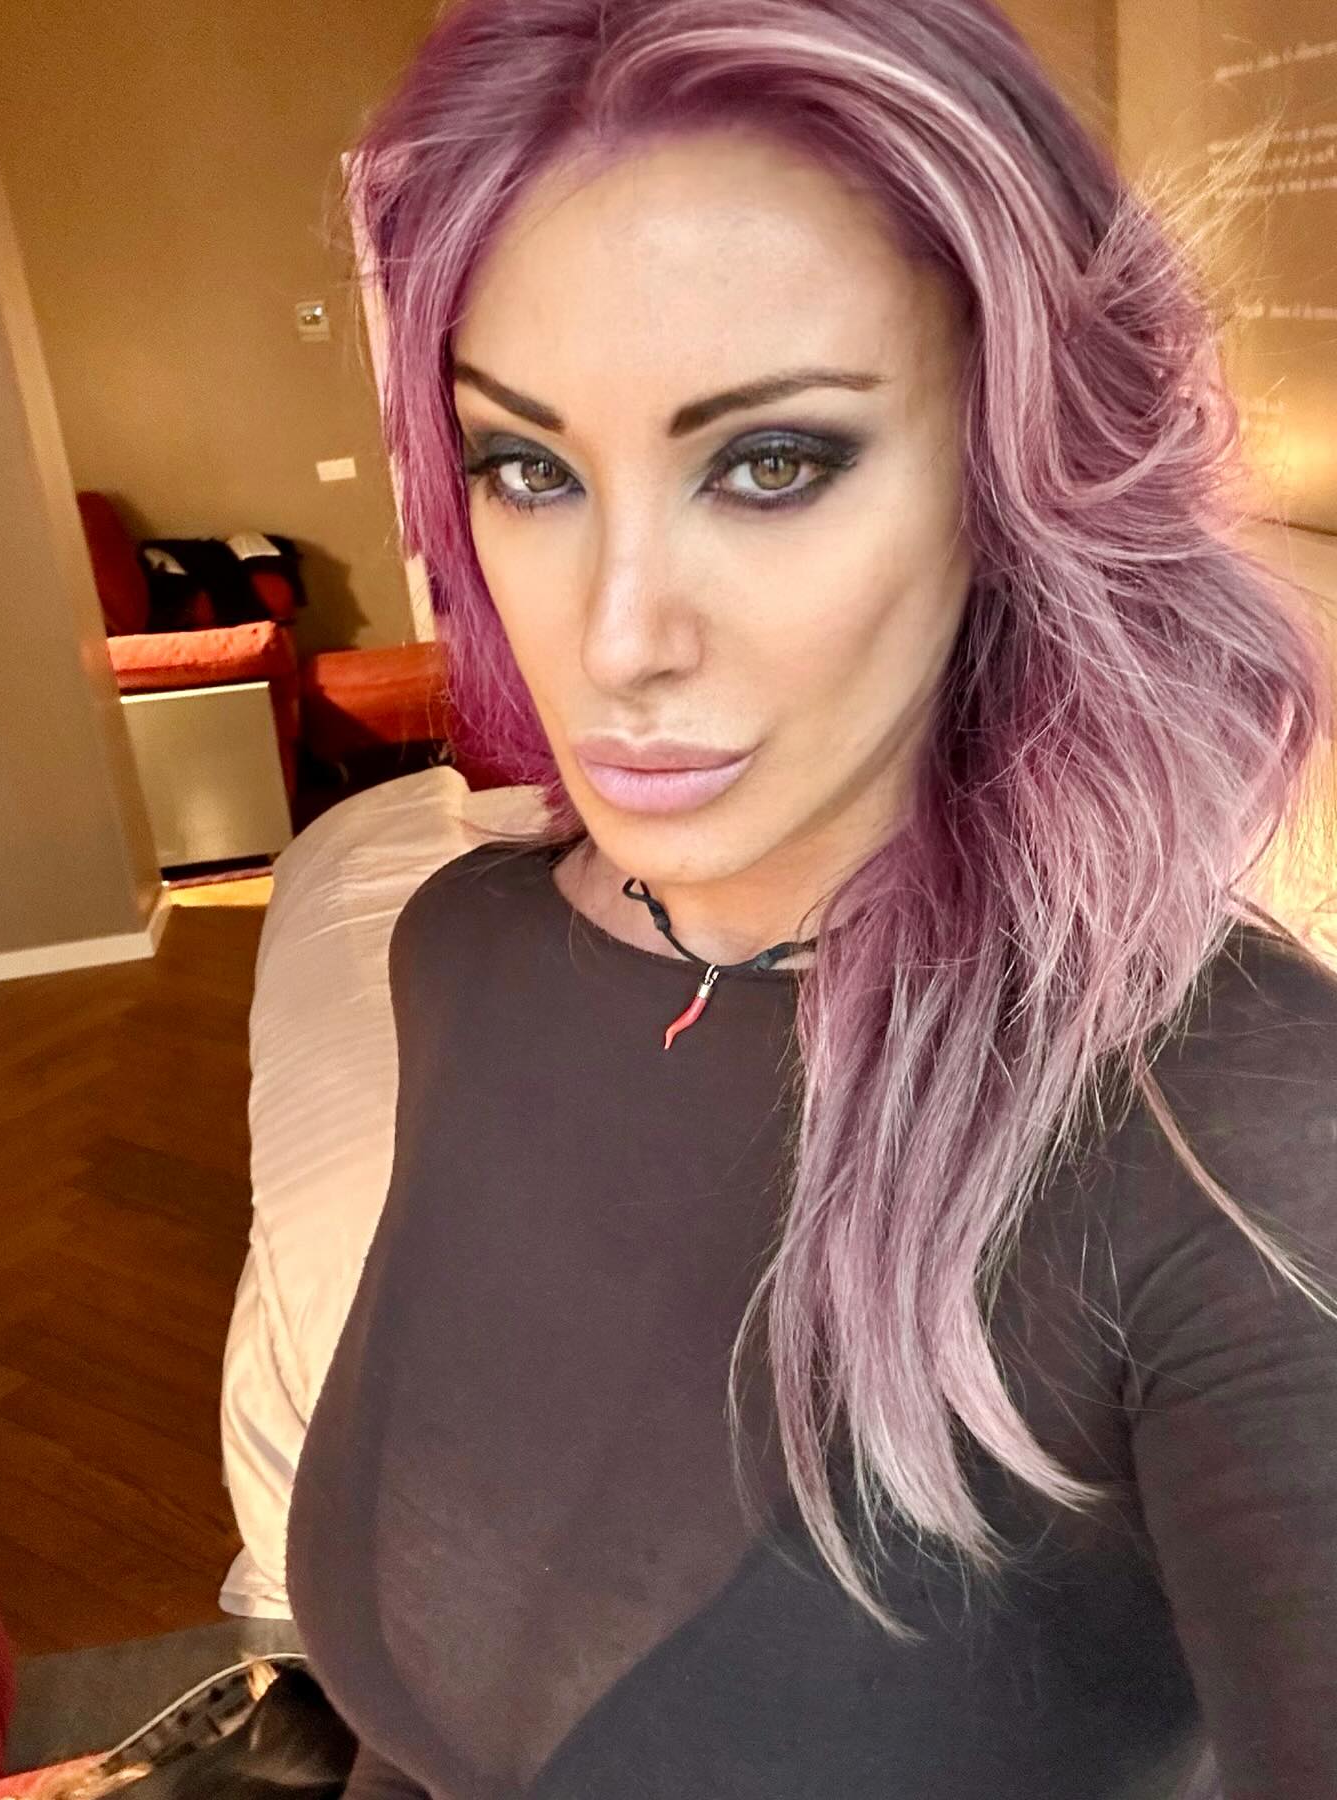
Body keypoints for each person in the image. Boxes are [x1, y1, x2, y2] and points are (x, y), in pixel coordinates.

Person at [284, 0, 1337, 1794]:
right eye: (530, 468)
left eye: (771, 462)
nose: (618, 638)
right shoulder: (459, 952)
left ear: (1015, 475)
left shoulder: (1233, 1125)